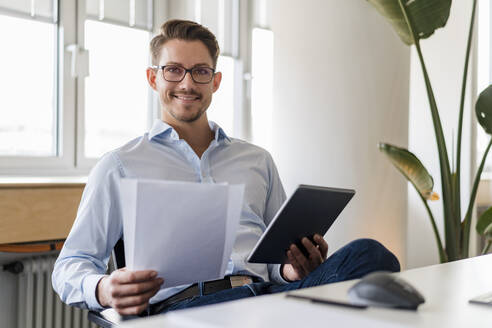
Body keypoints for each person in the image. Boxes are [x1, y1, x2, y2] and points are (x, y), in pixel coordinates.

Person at [52, 19, 400, 317]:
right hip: (187, 309)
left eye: (200, 72)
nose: (187, 84)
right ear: (153, 78)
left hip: (269, 299)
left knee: (371, 254)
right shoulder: (119, 165)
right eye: (173, 70)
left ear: (215, 82)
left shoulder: (256, 160)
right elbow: (70, 266)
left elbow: (274, 260)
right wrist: (102, 288)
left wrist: (292, 269)